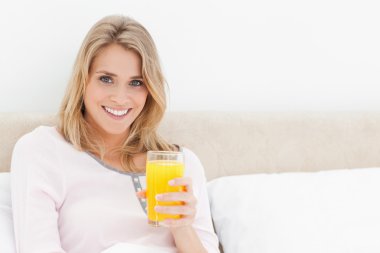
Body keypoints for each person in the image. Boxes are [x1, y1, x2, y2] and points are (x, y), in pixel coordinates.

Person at [11, 15, 220, 253]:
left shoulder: (182, 164)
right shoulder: (42, 150)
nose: (120, 98)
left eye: (136, 82)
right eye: (106, 79)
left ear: (150, 89)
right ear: (83, 81)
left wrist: (182, 228)